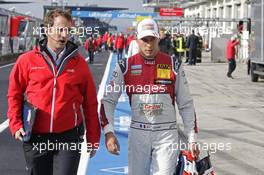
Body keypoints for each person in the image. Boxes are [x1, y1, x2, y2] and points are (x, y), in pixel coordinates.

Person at [7, 9, 101, 175]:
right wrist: (15, 124)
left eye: (68, 30)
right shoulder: (27, 60)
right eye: (60, 29)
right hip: (36, 135)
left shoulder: (79, 64)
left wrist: (93, 137)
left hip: (68, 136)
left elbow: (90, 103)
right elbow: (14, 93)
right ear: (48, 29)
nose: (64, 35)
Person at [100, 18, 199, 175]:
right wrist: (109, 132)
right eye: (144, 40)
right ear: (137, 40)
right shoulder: (125, 66)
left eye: (152, 39)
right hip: (139, 133)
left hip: (166, 134)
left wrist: (192, 138)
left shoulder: (174, 65)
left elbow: (186, 104)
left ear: (158, 38)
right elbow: (108, 101)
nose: (149, 44)